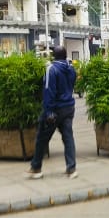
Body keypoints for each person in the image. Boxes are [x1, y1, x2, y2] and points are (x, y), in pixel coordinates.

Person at [26, 46, 78, 180]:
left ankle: (36, 168)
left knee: (41, 138)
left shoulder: (52, 69)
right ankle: (71, 169)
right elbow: (72, 85)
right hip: (68, 107)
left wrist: (48, 111)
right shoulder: (71, 68)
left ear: (54, 56)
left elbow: (48, 90)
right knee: (68, 138)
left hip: (55, 109)